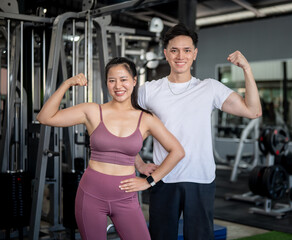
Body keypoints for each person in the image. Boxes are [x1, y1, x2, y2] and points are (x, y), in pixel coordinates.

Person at [119, 23, 262, 240]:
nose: (180, 56)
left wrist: (247, 69)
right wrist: (138, 163)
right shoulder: (149, 90)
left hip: (200, 179)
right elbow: (121, 128)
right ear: (165, 54)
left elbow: (253, 111)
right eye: (174, 50)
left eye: (187, 50)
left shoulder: (210, 88)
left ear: (194, 54)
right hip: (163, 178)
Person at [37, 57, 185, 240]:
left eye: (123, 79)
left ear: (134, 81)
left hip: (126, 197)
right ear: (106, 83)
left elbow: (177, 151)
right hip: (90, 195)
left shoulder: (146, 119)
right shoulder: (92, 111)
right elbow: (45, 117)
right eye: (112, 80)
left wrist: (149, 181)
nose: (118, 86)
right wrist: (67, 83)